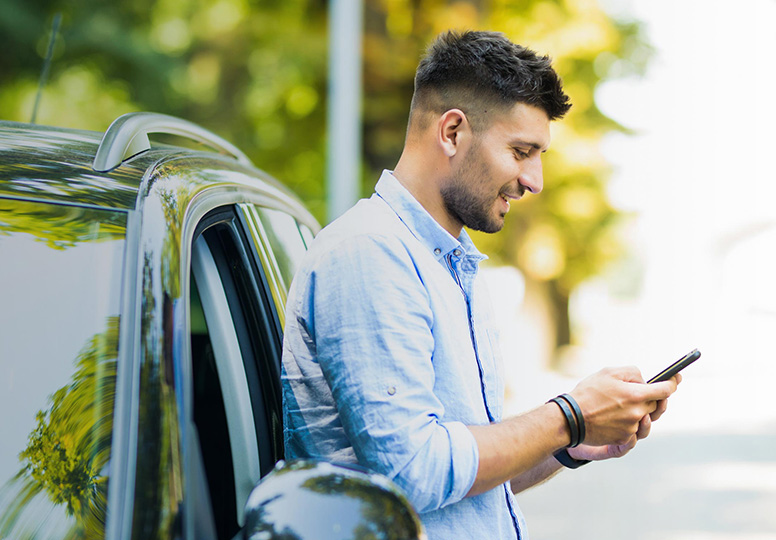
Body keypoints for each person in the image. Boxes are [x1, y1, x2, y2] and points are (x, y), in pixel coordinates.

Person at [280, 30, 680, 540]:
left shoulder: (449, 265)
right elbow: (413, 471)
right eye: (521, 151)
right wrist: (571, 415)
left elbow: (464, 479)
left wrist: (571, 443)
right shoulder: (369, 254)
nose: (534, 180)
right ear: (451, 133)